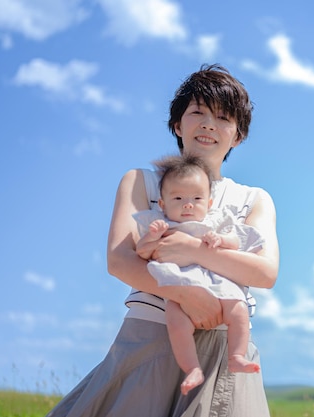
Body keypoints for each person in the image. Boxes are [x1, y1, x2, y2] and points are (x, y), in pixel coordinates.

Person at [46, 63, 279, 417]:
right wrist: (186, 294)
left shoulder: (253, 198)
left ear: (239, 136)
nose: (208, 124)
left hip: (226, 346)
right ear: (177, 124)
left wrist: (189, 248)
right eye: (197, 112)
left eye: (223, 118)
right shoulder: (142, 181)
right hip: (151, 334)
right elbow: (121, 260)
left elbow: (264, 273)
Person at [133, 153, 262, 395]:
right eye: (178, 198)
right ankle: (192, 367)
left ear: (209, 203)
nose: (188, 204)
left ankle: (236, 356)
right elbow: (141, 252)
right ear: (162, 204)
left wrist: (219, 239)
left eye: (196, 198)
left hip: (218, 283)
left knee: (239, 309)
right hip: (180, 287)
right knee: (176, 321)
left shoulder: (217, 222)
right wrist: (151, 237)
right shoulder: (161, 225)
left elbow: (236, 242)